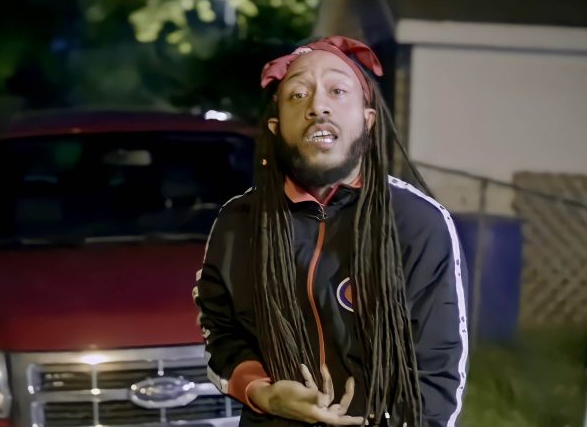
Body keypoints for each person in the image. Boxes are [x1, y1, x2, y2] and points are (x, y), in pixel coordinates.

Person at [193, 35, 469, 427]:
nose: (317, 106)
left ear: (367, 121)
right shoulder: (237, 223)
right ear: (275, 127)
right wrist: (262, 392)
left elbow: (437, 372)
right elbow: (220, 332)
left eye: (337, 91)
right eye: (297, 95)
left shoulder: (417, 222)